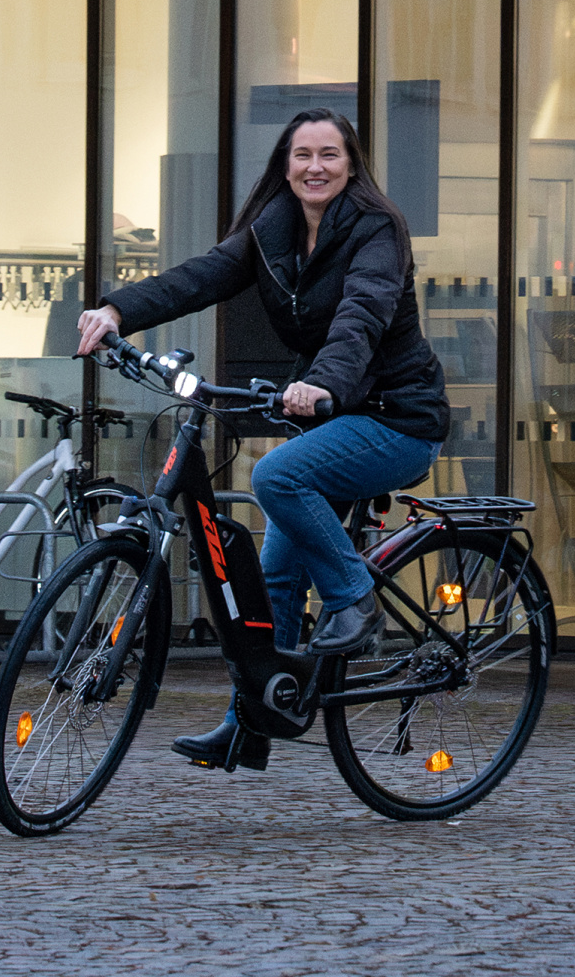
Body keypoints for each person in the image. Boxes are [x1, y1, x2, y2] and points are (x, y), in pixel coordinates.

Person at [77, 108, 450, 771]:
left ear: (351, 163)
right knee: (272, 577)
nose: (315, 167)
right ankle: (249, 725)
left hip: (397, 419)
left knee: (276, 477)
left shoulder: (377, 228)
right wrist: (117, 310)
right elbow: (200, 276)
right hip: (335, 420)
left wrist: (322, 383)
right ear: (286, 163)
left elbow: (361, 316)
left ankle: (354, 602)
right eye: (303, 155)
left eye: (329, 154)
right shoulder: (274, 228)